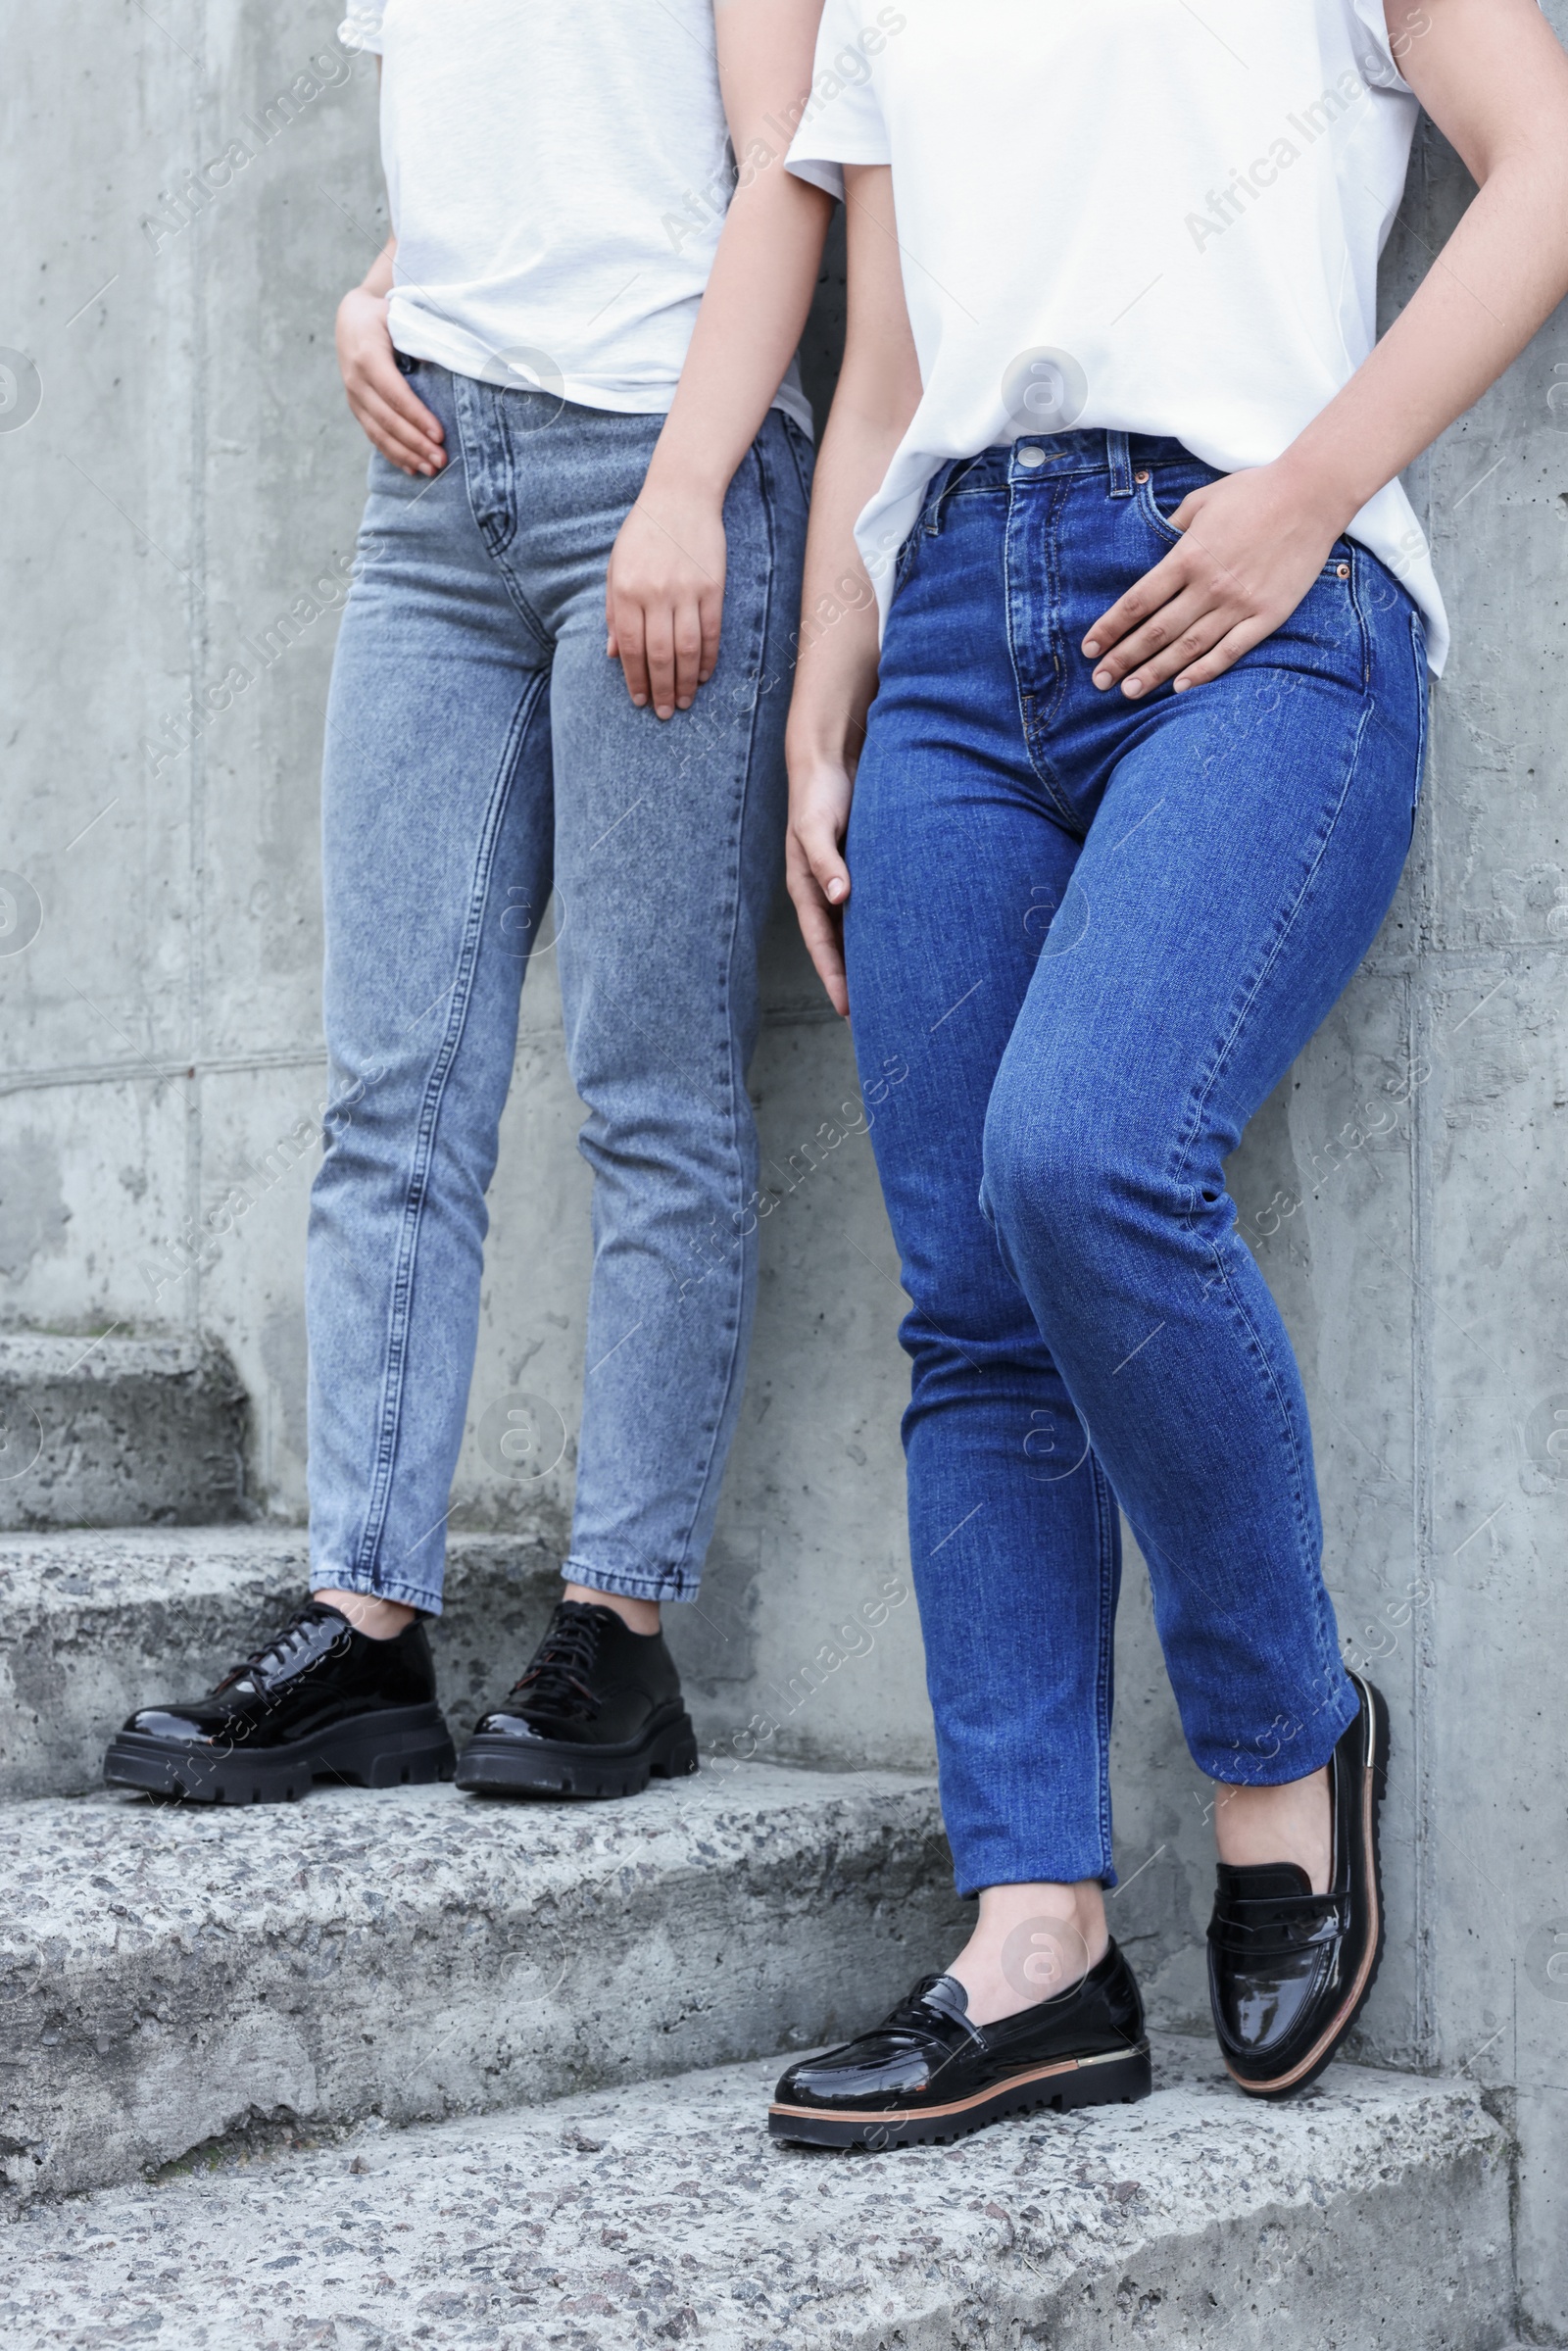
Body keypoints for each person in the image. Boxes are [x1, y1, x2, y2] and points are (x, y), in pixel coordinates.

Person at [767, 0, 1568, 2145]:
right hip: (940, 631)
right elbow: (881, 377)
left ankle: (1278, 1753)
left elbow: (1546, 169)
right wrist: (821, 701)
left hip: (1250, 590)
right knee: (967, 1304)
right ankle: (1033, 1940)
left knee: (1087, 1160)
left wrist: (1304, 493)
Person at [103, 0, 833, 1807]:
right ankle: (365, 1632)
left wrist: (685, 486)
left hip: (658, 465)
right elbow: (498, 166)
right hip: (434, 486)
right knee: (392, 1085)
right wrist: (375, 294)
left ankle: (622, 1633)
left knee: (649, 1082)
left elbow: (784, 170)